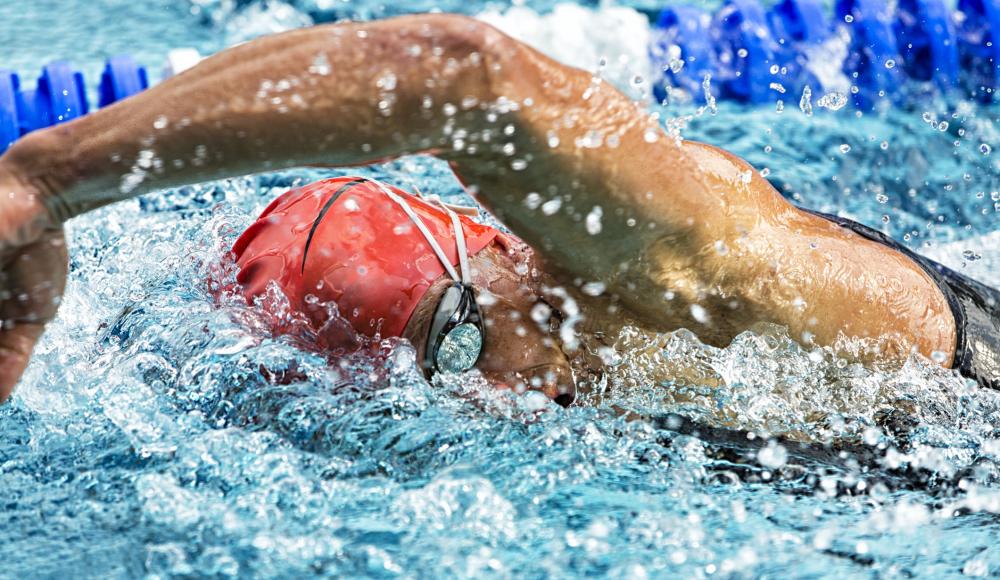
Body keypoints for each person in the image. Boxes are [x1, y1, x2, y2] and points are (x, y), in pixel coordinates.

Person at [0, 14, 996, 405]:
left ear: (498, 242)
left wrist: (47, 177)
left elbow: (461, 72)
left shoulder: (698, 272)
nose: (476, 397)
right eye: (422, 381)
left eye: (457, 338)